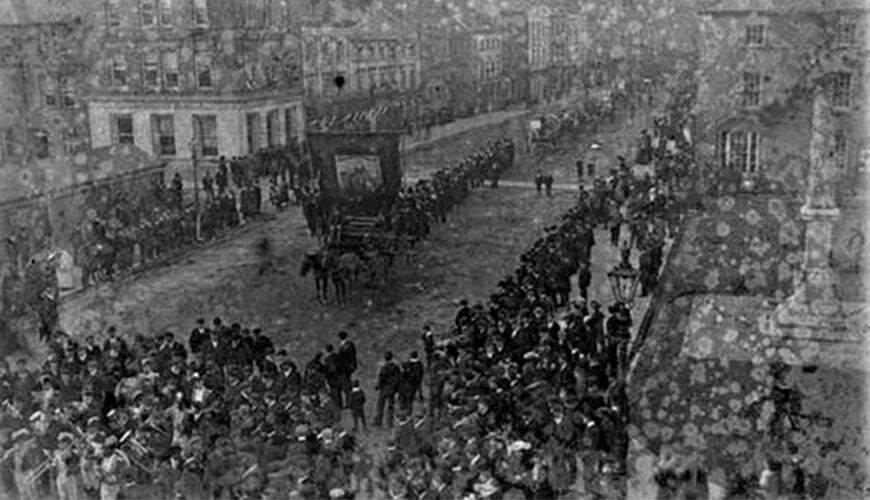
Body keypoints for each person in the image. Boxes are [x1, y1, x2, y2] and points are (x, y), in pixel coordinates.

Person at [373, 351, 400, 428]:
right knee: (390, 406)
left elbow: (381, 378)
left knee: (380, 405)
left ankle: (378, 421)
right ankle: (390, 423)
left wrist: (377, 386)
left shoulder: (384, 368)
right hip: (392, 389)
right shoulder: (395, 367)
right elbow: (398, 378)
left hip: (384, 388)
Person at [337, 331, 358, 408]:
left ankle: (349, 402)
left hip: (346, 368)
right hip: (346, 368)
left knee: (347, 386)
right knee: (346, 385)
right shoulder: (346, 344)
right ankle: (349, 401)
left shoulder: (347, 345)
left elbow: (348, 356)